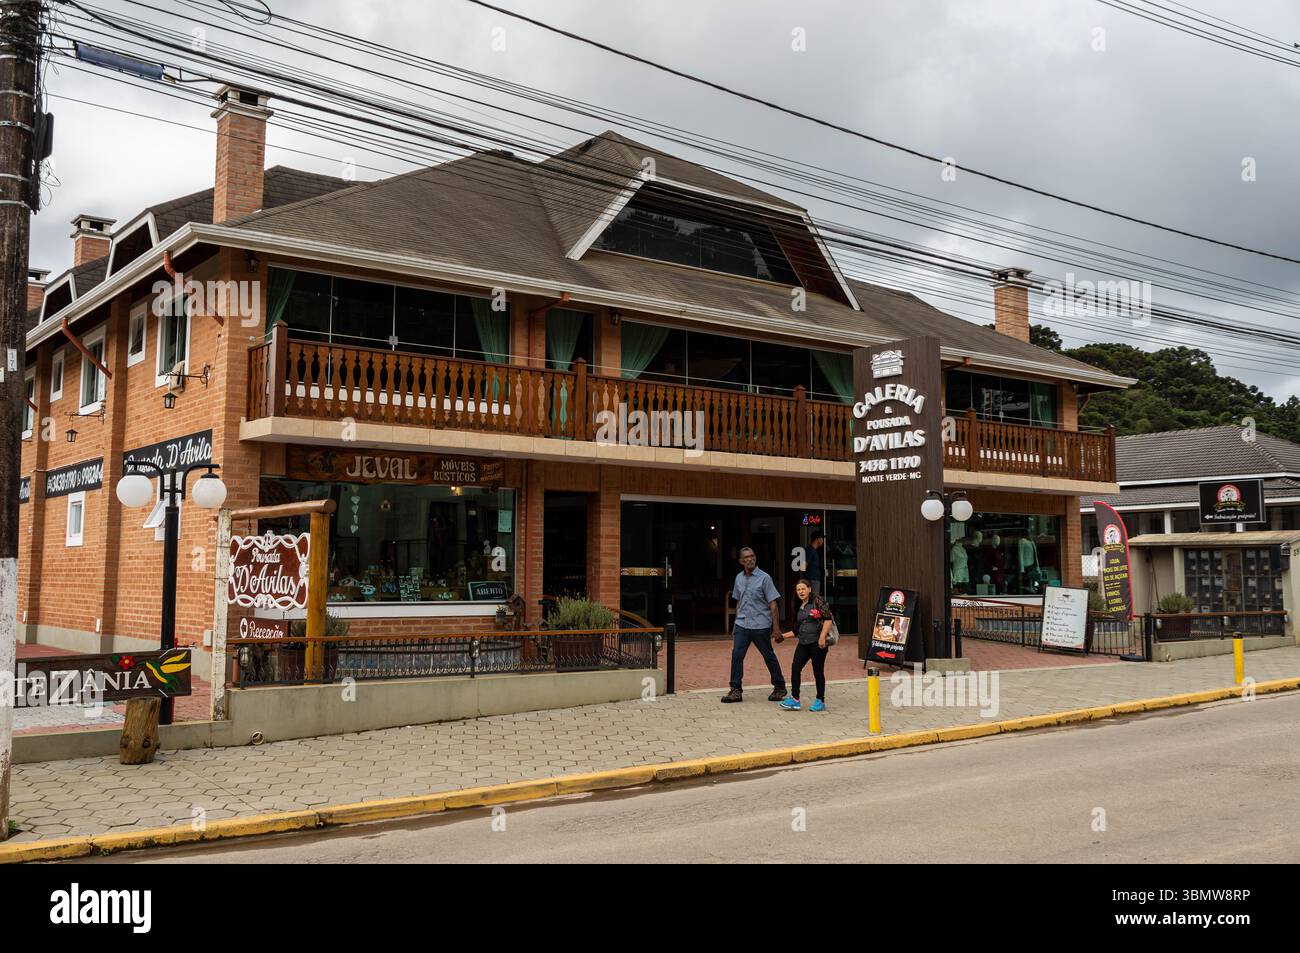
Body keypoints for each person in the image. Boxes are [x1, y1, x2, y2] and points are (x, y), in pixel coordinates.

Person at [721, 546, 787, 703]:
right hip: (742, 624)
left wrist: (776, 629)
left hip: (761, 625)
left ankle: (780, 687)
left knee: (768, 656)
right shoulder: (739, 578)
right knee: (736, 656)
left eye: (752, 556)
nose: (750, 559)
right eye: (746, 557)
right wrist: (736, 624)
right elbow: (739, 602)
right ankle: (735, 690)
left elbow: (773, 604)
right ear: (741, 561)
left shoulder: (765, 578)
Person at [780, 579, 833, 712]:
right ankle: (795, 699)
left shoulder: (818, 602)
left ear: (809, 589)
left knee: (818, 671)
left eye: (803, 589)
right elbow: (796, 630)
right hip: (803, 643)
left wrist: (822, 638)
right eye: (798, 590)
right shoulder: (800, 607)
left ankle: (820, 700)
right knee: (795, 668)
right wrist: (782, 636)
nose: (801, 592)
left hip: (817, 644)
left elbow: (828, 620)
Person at [806, 531, 825, 596]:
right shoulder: (810, 550)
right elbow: (804, 566)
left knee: (814, 601)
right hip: (812, 580)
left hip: (814, 580)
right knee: (813, 601)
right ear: (817, 539)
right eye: (822, 539)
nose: (823, 541)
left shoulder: (814, 550)